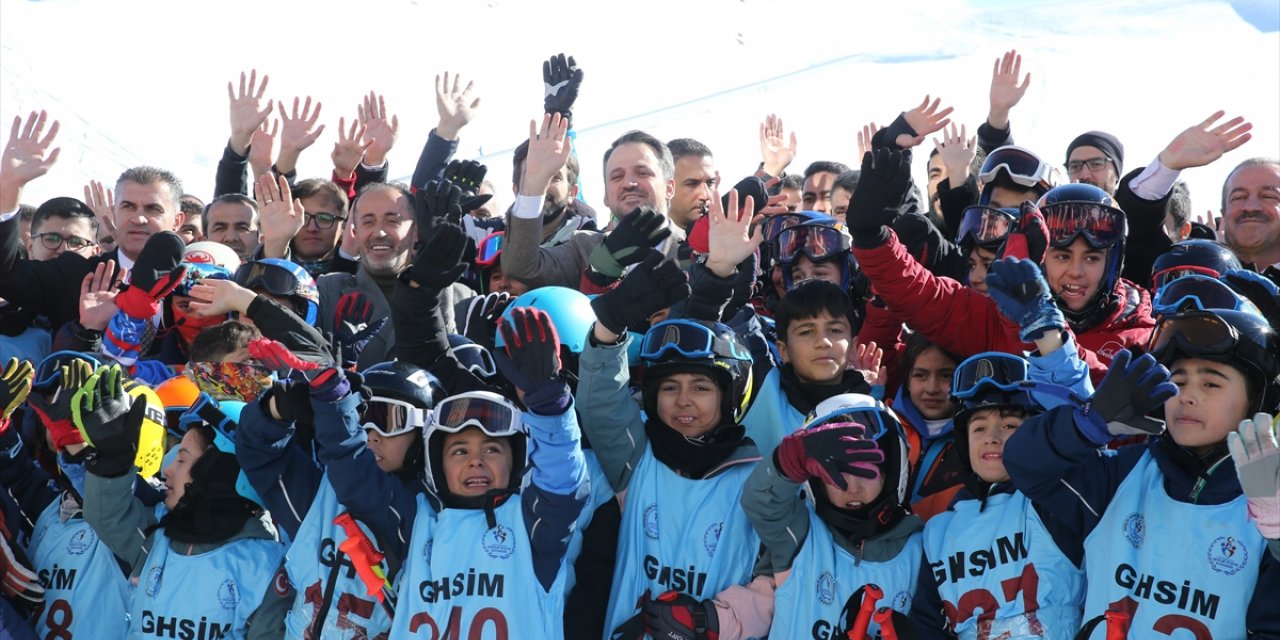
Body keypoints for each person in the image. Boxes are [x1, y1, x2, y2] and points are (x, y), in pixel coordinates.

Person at [1004, 307, 1280, 637]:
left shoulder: (1268, 502)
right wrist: (1086, 425)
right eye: (1177, 381)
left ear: (1256, 401)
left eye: (1210, 383)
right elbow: (1025, 463)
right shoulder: (1123, 474)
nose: (1187, 396)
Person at [579, 255, 773, 637]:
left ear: (731, 394)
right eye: (669, 387)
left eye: (700, 388)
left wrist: (709, 620)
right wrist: (608, 330)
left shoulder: (762, 481)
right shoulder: (637, 459)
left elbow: (777, 585)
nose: (683, 401)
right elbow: (600, 403)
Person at [75, 365, 289, 639]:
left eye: (182, 458)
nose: (167, 470)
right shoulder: (158, 540)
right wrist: (112, 460)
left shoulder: (264, 567)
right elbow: (108, 517)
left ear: (218, 473)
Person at [911, 350, 1090, 640]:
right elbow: (927, 625)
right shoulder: (939, 531)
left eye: (1009, 426)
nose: (992, 437)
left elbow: (1080, 444)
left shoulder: (1056, 500)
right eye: (979, 427)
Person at [743, 393, 921, 638]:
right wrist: (792, 456)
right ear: (816, 483)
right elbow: (761, 500)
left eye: (866, 471)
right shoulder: (800, 536)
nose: (852, 487)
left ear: (891, 471)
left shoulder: (920, 550)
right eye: (836, 474)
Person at [1219, 157, 1280, 274]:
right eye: (1239, 197)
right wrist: (1172, 167)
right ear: (1224, 215)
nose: (1250, 207)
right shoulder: (1197, 279)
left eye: (1268, 196)